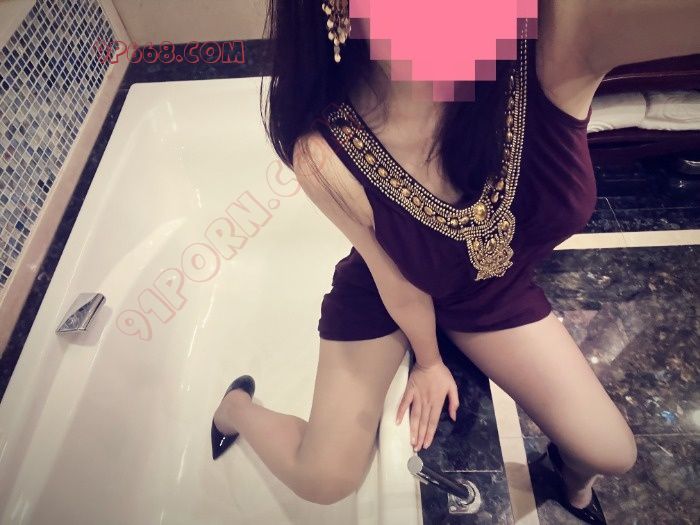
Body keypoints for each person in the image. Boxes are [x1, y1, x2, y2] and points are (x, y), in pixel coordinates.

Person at [212, 0, 699, 521]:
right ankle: (235, 409)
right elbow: (399, 283)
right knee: (324, 478)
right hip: (390, 288)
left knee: (611, 453)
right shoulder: (327, 152)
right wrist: (428, 362)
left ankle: (567, 475)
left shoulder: (552, 44)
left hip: (491, 292)